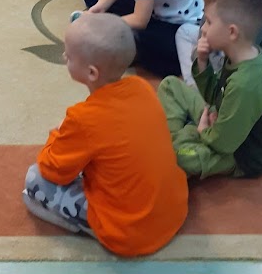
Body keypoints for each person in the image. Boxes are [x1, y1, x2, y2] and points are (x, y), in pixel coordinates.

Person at [23, 14, 188, 256]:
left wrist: (57, 133)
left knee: (34, 178)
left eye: (69, 55)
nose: (64, 56)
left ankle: (85, 225)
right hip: (173, 209)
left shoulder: (82, 118)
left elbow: (51, 169)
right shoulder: (142, 87)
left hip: (128, 232)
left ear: (92, 73)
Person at [158, 0, 262, 179]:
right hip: (219, 120)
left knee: (179, 156)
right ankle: (180, 139)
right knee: (170, 85)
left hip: (240, 154)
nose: (203, 29)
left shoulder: (246, 83)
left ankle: (179, 140)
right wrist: (202, 62)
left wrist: (202, 131)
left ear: (232, 32)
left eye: (208, 21)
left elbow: (224, 143)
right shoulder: (240, 53)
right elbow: (214, 96)